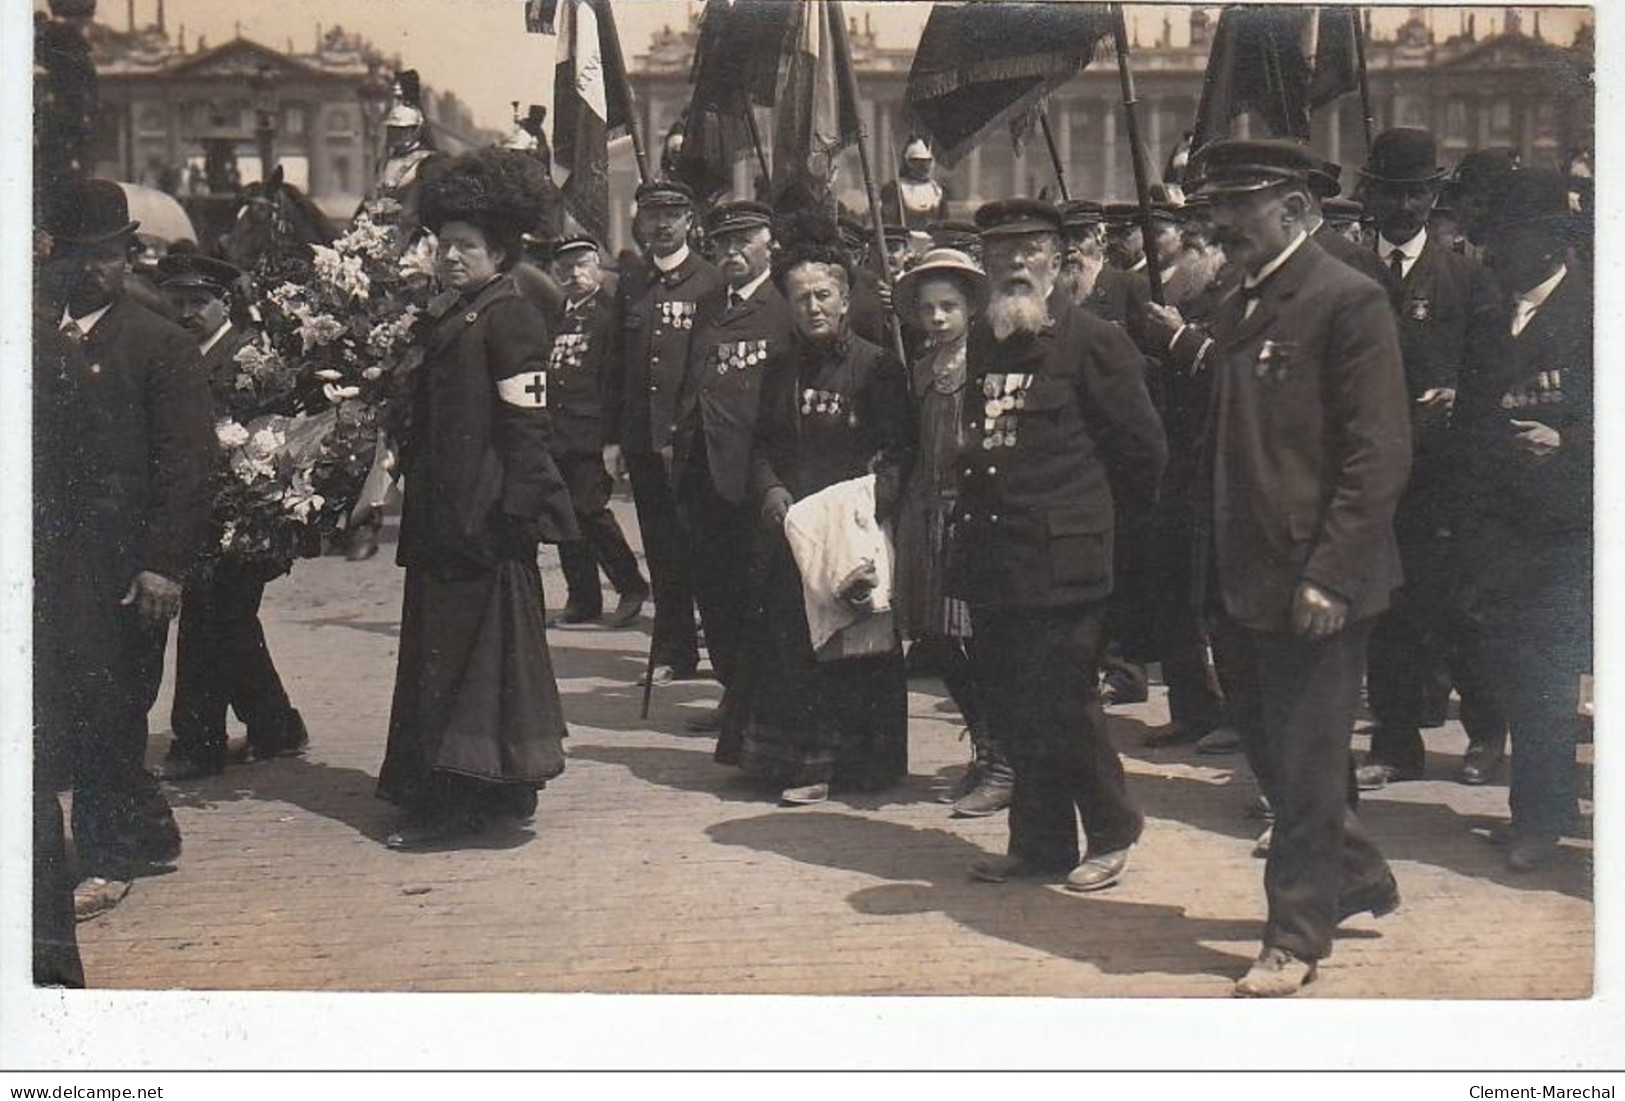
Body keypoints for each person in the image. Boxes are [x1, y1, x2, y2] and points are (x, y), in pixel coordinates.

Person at [1191, 139, 1408, 996]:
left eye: (1238, 205)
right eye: (1217, 205)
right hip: (1240, 573)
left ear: (1293, 208)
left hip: (1310, 577)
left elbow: (1377, 453)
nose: (1221, 221)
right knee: (1276, 759)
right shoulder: (1237, 300)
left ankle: (1294, 936)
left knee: (1308, 766)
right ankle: (1354, 875)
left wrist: (1331, 572)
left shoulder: (1345, 300)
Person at [951, 198, 1166, 894]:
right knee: (1014, 702)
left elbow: (1142, 451)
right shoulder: (986, 338)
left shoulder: (1094, 340)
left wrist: (1102, 535)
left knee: (1067, 702)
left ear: (1057, 260)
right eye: (1002, 253)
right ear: (985, 265)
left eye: (1030, 250)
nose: (1016, 264)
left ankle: (1111, 831)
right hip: (997, 554)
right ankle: (1039, 843)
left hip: (1067, 560)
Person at [376, 149, 578, 849]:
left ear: (499, 251)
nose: (451, 256)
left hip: (485, 523)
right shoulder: (450, 314)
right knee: (445, 664)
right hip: (441, 522)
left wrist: (515, 514)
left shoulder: (511, 318)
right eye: (444, 244)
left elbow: (528, 426)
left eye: (466, 246)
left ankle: (461, 805)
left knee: (474, 670)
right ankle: (473, 792)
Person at [34, 178, 215, 920]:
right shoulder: (35, 336)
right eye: (78, 254)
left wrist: (164, 563)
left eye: (107, 255)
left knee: (108, 710)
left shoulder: (158, 344)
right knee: (63, 705)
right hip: (47, 563)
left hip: (125, 566)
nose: (91, 269)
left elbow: (188, 464)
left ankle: (107, 858)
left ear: (128, 256)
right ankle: (141, 829)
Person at [717, 227, 916, 804]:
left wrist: (866, 507)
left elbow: (902, 452)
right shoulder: (779, 368)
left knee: (852, 648)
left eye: (823, 295)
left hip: (849, 536)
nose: (813, 307)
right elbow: (759, 445)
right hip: (793, 530)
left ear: (845, 298)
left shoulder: (878, 369)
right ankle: (781, 759)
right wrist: (771, 491)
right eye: (801, 298)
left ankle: (848, 767)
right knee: (788, 647)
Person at [1354, 128, 1505, 791]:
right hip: (1372, 471)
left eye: (1416, 193)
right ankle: (1394, 741)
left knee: (1459, 610)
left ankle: (1484, 732)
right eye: (1391, 193)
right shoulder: (1348, 273)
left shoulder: (1465, 274)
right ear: (1371, 197)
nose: (1404, 207)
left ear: (1432, 195)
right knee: (1383, 611)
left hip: (1443, 474)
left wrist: (1457, 395)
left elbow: (1488, 372)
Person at [1451, 168, 1592, 871]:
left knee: (1545, 676)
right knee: (1513, 667)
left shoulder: (1594, 315)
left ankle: (1537, 819)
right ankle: (1549, 802)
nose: (1490, 252)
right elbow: (1477, 421)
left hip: (1566, 526)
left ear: (1546, 242)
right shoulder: (1490, 314)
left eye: (1503, 239)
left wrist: (1570, 443)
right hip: (1498, 526)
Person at [154, 253, 310, 781]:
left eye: (199, 302)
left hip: (239, 514)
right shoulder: (172, 351)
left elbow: (278, 432)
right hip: (195, 509)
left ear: (225, 303)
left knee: (207, 619)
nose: (187, 312)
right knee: (228, 621)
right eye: (177, 301)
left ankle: (197, 743)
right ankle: (277, 725)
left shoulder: (248, 359)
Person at [892, 248, 1008, 816]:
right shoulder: (919, 366)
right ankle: (984, 745)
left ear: (970, 309)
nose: (938, 318)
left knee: (981, 642)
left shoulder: (987, 364)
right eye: (928, 308)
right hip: (923, 513)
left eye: (949, 307)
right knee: (937, 642)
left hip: (970, 514)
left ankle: (1004, 759)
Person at [671, 201, 795, 733]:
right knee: (714, 588)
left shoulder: (784, 308)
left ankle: (757, 702)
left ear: (770, 246)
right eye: (722, 243)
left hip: (755, 473)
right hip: (702, 470)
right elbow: (692, 383)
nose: (731, 251)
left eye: (744, 240)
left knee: (756, 590)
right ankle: (731, 692)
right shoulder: (705, 306)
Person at [602, 179, 720, 684]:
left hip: (692, 444)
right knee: (662, 548)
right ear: (641, 222)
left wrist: (683, 430)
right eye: (653, 215)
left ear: (690, 221)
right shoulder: (632, 283)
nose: (663, 224)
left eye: (673, 214)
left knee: (701, 549)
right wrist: (614, 437)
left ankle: (721, 651)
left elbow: (709, 368)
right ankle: (673, 650)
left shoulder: (711, 282)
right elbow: (617, 365)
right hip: (643, 441)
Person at [544, 236, 650, 628]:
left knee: (590, 511)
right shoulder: (556, 315)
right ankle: (583, 598)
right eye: (564, 268)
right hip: (557, 431)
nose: (572, 275)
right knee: (563, 516)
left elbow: (615, 381)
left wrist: (613, 438)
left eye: (580, 266)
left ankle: (630, 583)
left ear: (597, 268)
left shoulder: (609, 316)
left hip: (591, 431)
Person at [879, 136, 950, 231]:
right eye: (918, 162)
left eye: (927, 161)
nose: (924, 166)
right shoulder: (894, 188)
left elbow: (944, 222)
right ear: (908, 163)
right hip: (902, 240)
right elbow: (887, 221)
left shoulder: (938, 190)